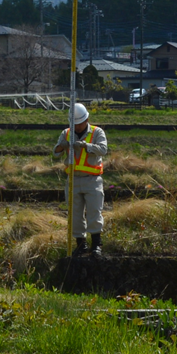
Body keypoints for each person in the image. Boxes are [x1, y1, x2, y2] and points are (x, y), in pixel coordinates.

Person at [51, 102, 108, 256]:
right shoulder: (66, 133)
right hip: (73, 180)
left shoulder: (97, 132)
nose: (78, 127)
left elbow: (103, 149)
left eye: (80, 124)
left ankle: (96, 244)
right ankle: (80, 245)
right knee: (75, 213)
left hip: (92, 180)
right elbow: (55, 154)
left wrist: (86, 146)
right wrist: (61, 146)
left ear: (86, 119)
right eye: (75, 124)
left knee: (94, 212)